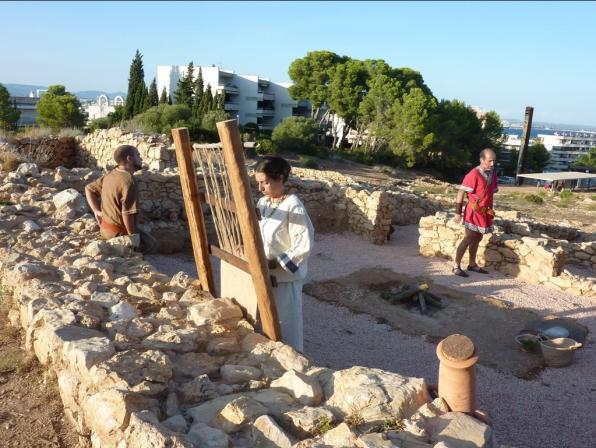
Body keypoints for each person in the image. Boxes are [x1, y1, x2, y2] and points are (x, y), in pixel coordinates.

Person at [255, 155, 315, 352]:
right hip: (264, 274)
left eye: (264, 182)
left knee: (286, 327)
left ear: (280, 178)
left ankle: (291, 366)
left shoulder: (293, 206)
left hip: (284, 278)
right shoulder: (263, 203)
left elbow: (303, 244)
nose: (260, 188)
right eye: (258, 183)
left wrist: (274, 263)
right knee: (263, 323)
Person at [85, 144, 157, 253]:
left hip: (105, 229)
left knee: (148, 238)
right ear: (129, 158)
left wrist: (96, 211)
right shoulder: (129, 181)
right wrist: (132, 238)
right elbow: (127, 213)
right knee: (151, 244)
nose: (141, 158)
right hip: (117, 233)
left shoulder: (111, 174)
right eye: (138, 155)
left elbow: (88, 188)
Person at [453, 148, 498, 277]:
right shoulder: (473, 174)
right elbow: (461, 192)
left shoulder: (492, 174)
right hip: (472, 211)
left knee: (478, 238)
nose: (492, 164)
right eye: (490, 161)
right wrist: (458, 212)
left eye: (494, 161)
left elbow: (490, 195)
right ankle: (456, 266)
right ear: (481, 160)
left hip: (484, 213)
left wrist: (490, 212)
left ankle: (472, 264)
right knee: (469, 237)